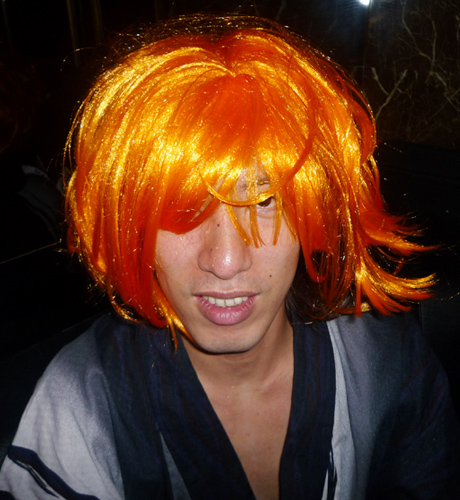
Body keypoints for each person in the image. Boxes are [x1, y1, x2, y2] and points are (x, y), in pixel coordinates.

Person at [0, 14, 459, 500]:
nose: (225, 261)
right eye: (182, 207)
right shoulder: (82, 405)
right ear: (131, 222)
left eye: (264, 201)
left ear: (314, 210)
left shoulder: (382, 358)